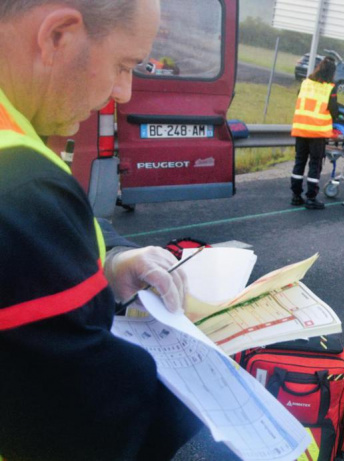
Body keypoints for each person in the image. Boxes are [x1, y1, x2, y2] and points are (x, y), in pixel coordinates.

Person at [0, 1, 202, 459]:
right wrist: (220, 370)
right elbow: (97, 425)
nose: (124, 92)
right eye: (123, 65)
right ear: (57, 37)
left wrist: (112, 263)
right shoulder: (20, 186)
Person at [290, 56, 341, 210]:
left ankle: (296, 196)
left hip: (301, 128)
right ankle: (311, 198)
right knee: (315, 164)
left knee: (299, 162)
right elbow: (334, 110)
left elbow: (300, 99)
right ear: (332, 73)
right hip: (317, 132)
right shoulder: (330, 87)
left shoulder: (305, 83)